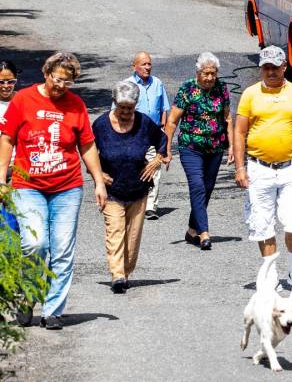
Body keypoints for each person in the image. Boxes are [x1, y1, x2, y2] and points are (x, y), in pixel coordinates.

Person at [0, 52, 107, 330]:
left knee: (62, 249)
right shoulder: (23, 100)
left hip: (67, 187)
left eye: (68, 82)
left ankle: (53, 310)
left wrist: (97, 180)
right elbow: (8, 138)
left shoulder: (76, 105)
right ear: (46, 74)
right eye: (57, 79)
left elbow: (86, 145)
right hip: (27, 185)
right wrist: (1, 179)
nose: (61, 86)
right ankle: (27, 296)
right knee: (35, 244)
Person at [234, 45, 292, 293]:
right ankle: (269, 271)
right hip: (259, 168)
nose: (270, 72)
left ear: (284, 67)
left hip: (291, 167)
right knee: (262, 221)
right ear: (261, 69)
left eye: (274, 67)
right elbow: (239, 132)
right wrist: (240, 167)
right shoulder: (250, 94)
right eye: (265, 67)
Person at [93, 81, 167, 294]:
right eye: (122, 107)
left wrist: (157, 159)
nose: (126, 112)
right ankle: (117, 275)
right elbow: (87, 149)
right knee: (115, 231)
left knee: (132, 239)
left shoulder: (144, 123)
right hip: (112, 189)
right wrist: (97, 174)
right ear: (114, 103)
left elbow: (162, 138)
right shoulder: (100, 125)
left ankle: (126, 271)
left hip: (138, 188)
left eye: (130, 107)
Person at [165, 52, 233, 250]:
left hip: (215, 146)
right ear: (198, 73)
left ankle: (192, 230)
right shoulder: (187, 88)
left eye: (213, 73)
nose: (210, 78)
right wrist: (167, 149)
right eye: (206, 73)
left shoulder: (222, 88)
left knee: (208, 187)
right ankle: (204, 233)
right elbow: (171, 121)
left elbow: (228, 119)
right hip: (191, 146)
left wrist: (233, 148)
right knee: (197, 186)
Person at [124, 52, 170, 220]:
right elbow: (116, 111)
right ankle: (134, 201)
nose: (147, 67)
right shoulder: (127, 85)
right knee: (134, 167)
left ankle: (151, 206)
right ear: (134, 66)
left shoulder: (157, 83)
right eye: (143, 64)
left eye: (149, 64)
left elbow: (164, 108)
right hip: (133, 133)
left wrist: (163, 129)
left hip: (154, 132)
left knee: (154, 167)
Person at [0, 60, 19, 232]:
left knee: (15, 223)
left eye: (11, 81)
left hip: (18, 171)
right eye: (1, 81)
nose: (6, 86)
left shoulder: (22, 102)